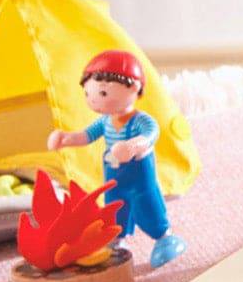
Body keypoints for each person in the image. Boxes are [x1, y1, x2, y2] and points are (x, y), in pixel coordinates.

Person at [47, 50, 186, 268]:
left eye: (102, 93)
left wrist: (132, 146)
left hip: (139, 177)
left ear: (134, 87)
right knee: (113, 209)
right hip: (114, 177)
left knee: (147, 207)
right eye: (88, 93)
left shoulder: (141, 121)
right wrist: (66, 138)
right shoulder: (105, 121)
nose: (93, 100)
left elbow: (150, 135)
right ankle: (116, 239)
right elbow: (86, 136)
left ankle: (165, 237)